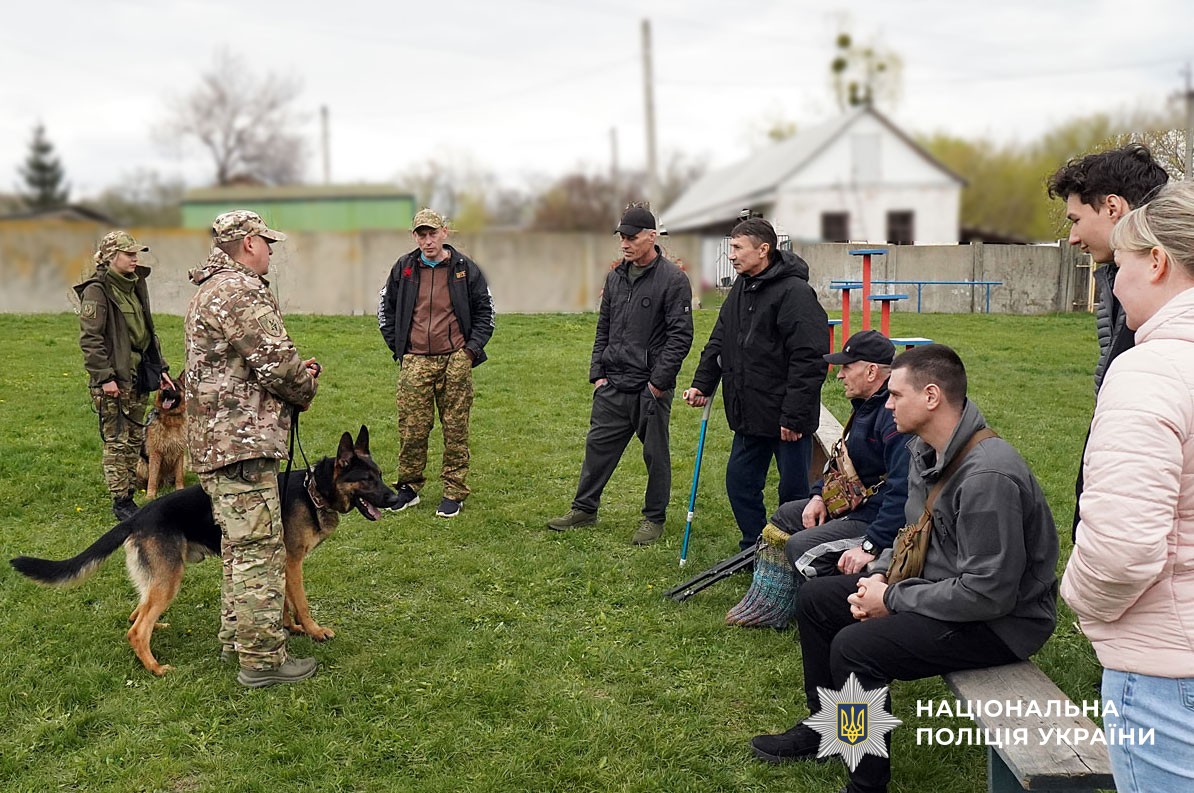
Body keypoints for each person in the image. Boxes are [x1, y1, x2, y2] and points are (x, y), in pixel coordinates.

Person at [751, 344, 1059, 793]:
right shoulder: (925, 449)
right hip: (942, 588)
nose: (887, 404)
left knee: (856, 648)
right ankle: (831, 727)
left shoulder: (987, 477)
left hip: (1001, 623)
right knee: (818, 600)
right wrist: (878, 573)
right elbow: (909, 532)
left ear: (931, 396)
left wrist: (891, 599)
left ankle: (866, 784)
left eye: (895, 396)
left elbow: (989, 593)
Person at [1061, 182, 1194, 792]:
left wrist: (1083, 601)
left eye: (1120, 266)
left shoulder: (1149, 372)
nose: (1112, 285)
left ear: (1158, 262)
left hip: (1167, 676)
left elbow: (1120, 549)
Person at [184, 210, 321, 688]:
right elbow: (278, 364)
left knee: (238, 546)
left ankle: (234, 638)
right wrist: (304, 386)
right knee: (260, 549)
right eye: (267, 242)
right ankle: (262, 661)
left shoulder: (210, 289)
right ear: (247, 243)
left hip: (220, 442)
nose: (271, 250)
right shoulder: (239, 291)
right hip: (240, 442)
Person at [726, 330, 910, 629]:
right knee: (787, 514)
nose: (839, 375)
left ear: (872, 371)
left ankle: (830, 613)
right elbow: (840, 460)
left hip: (877, 521)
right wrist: (817, 497)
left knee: (802, 547)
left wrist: (871, 546)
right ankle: (777, 603)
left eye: (847, 367)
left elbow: (904, 493)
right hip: (859, 509)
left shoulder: (892, 417)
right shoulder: (868, 405)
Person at [547, 205, 694, 545]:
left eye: (632, 237)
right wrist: (598, 373)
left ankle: (653, 518)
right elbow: (604, 327)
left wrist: (658, 384)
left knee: (655, 455)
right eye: (622, 238)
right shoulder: (615, 277)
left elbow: (680, 336)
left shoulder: (673, 280)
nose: (625, 244)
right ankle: (584, 509)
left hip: (649, 389)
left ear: (651, 237)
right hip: (613, 385)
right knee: (596, 449)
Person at [684, 217, 828, 552]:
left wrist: (793, 416)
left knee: (793, 492)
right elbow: (720, 340)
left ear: (763, 250)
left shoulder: (795, 293)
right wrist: (702, 384)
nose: (731, 255)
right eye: (730, 247)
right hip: (749, 411)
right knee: (740, 482)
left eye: (737, 248)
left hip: (786, 418)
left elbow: (809, 357)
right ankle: (755, 545)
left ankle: (795, 551)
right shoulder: (741, 289)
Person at [1047, 144, 1168, 537]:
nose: (1073, 237)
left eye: (1077, 220)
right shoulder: (1118, 279)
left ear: (1113, 207)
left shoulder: (1166, 289)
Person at [378, 208, 495, 519]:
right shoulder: (403, 268)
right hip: (415, 360)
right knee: (412, 428)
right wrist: (401, 349)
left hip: (455, 358)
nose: (427, 241)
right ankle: (408, 487)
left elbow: (486, 314)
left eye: (432, 233)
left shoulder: (465, 269)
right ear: (414, 236)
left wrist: (469, 353)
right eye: (421, 234)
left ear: (445, 232)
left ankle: (454, 490)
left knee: (455, 428)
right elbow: (385, 311)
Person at [75, 230, 173, 521]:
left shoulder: (136, 284)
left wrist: (162, 368)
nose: (135, 258)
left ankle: (129, 489)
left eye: (136, 253)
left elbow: (147, 332)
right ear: (110, 257)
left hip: (138, 376)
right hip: (115, 379)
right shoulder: (98, 290)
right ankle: (121, 500)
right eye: (129, 254)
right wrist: (105, 378)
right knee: (117, 439)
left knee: (134, 438)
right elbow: (91, 340)